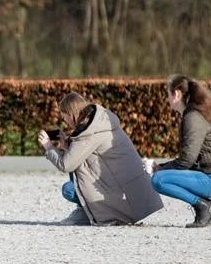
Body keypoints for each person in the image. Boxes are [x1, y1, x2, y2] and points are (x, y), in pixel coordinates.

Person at [39, 92, 163, 226]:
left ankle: (86, 212)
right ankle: (87, 211)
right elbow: (89, 152)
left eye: (64, 117)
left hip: (124, 198)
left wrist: (48, 147)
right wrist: (67, 145)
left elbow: (66, 165)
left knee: (68, 189)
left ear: (71, 114)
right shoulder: (99, 122)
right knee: (75, 178)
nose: (65, 121)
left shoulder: (88, 134)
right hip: (132, 190)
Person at [151, 74, 211, 227]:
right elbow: (189, 159)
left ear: (177, 94)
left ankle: (204, 207)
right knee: (160, 175)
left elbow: (187, 160)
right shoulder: (195, 114)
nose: (167, 99)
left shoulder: (193, 117)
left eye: (168, 94)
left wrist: (161, 169)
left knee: (158, 180)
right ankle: (205, 208)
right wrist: (163, 167)